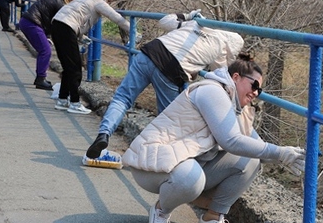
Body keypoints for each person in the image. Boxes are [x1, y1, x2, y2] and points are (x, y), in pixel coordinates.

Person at [121, 54, 305, 223]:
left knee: (251, 161)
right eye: (254, 85)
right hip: (153, 163)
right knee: (190, 178)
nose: (256, 93)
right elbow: (231, 141)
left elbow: (257, 148)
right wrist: (280, 153)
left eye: (260, 89)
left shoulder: (237, 109)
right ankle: (161, 211)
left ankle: (212, 219)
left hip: (185, 162)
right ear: (236, 77)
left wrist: (287, 155)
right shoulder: (212, 92)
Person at [85, 9, 244, 159]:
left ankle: (104, 134)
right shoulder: (223, 48)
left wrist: (187, 16)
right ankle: (151, 156)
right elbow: (218, 75)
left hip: (150, 52)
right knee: (168, 118)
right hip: (171, 70)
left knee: (122, 98)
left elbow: (165, 21)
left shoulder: (195, 24)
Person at [51, 0, 131, 114]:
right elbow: (116, 18)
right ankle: (75, 103)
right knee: (75, 68)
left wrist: (81, 36)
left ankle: (62, 99)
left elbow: (76, 18)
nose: (109, 4)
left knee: (68, 66)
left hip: (57, 24)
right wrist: (133, 30)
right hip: (66, 28)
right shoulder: (99, 1)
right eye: (110, 0)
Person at [19, 0, 81, 90]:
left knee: (45, 49)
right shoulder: (61, 5)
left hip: (29, 21)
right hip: (32, 23)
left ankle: (41, 77)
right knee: (45, 50)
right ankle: (40, 79)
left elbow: (48, 19)